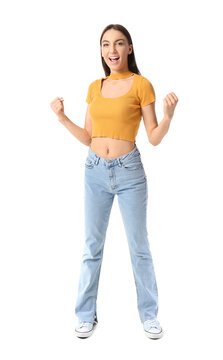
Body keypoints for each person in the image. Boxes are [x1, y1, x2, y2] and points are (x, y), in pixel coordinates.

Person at [50, 24, 178, 340]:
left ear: (129, 48)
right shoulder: (96, 87)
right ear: (102, 51)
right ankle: (85, 315)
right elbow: (88, 136)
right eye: (106, 44)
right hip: (94, 170)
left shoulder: (141, 85)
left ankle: (149, 315)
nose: (113, 50)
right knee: (92, 246)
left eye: (119, 43)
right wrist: (62, 117)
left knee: (139, 246)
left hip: (129, 172)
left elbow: (153, 137)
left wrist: (168, 117)